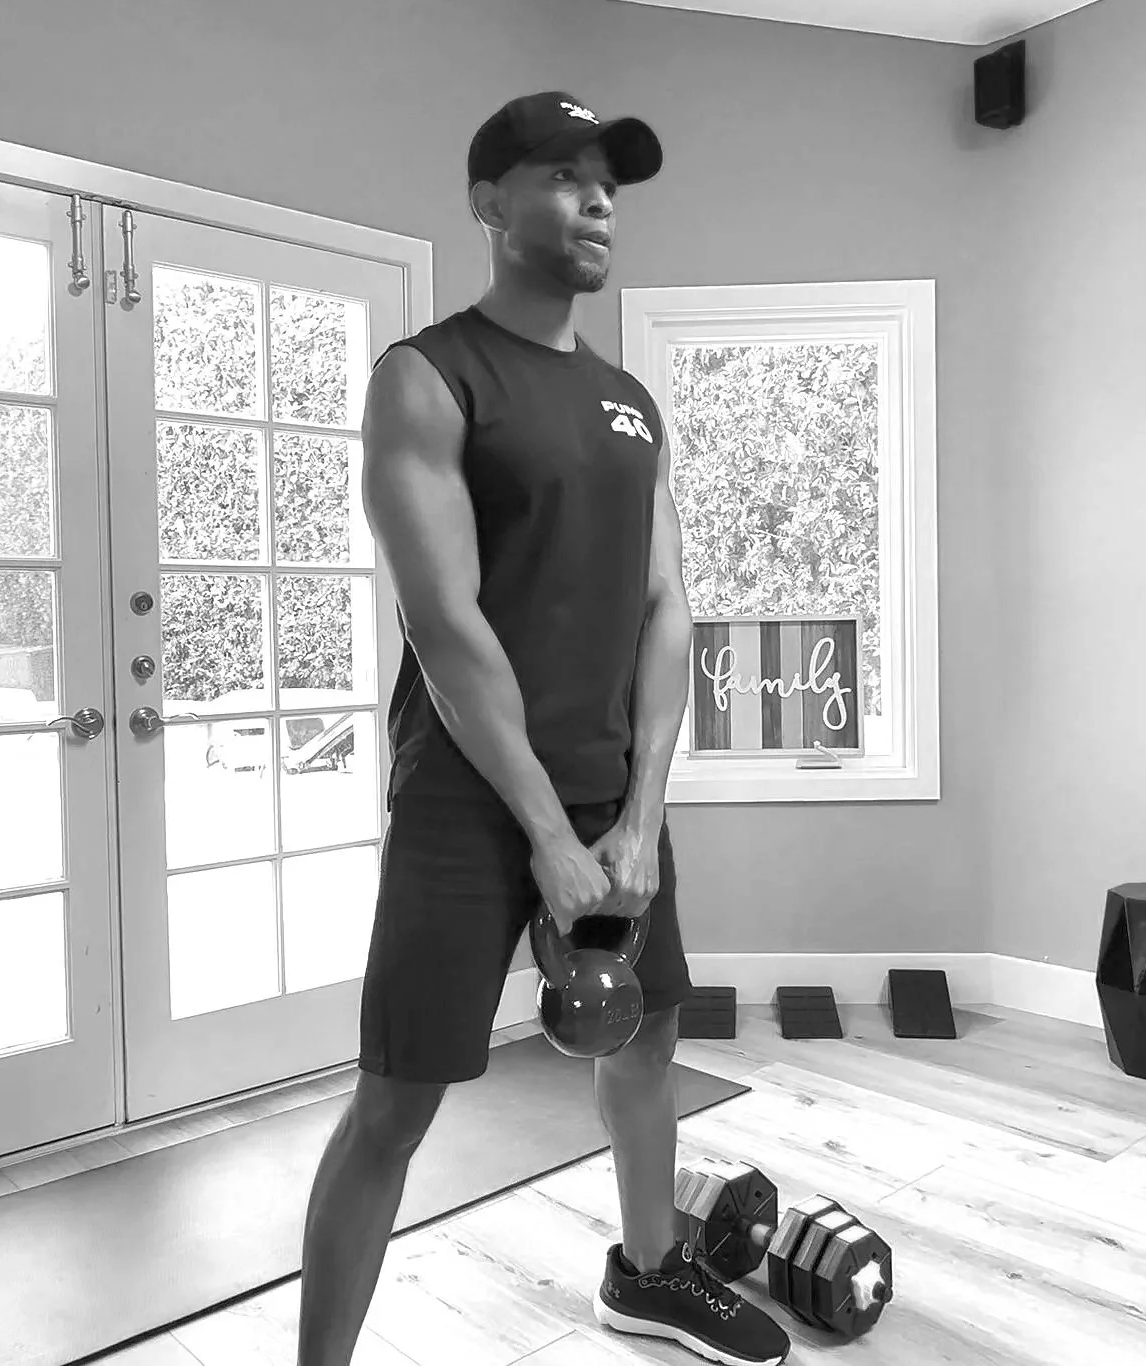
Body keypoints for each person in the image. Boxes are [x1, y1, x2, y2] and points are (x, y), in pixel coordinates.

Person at [291, 92, 792, 1366]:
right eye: (562, 174)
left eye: (607, 181)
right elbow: (445, 624)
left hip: (611, 793)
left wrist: (638, 815)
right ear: (487, 203)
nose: (597, 199)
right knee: (397, 1101)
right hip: (470, 792)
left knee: (649, 1037)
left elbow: (670, 605)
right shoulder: (429, 374)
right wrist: (547, 839)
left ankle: (648, 1270)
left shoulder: (630, 403)